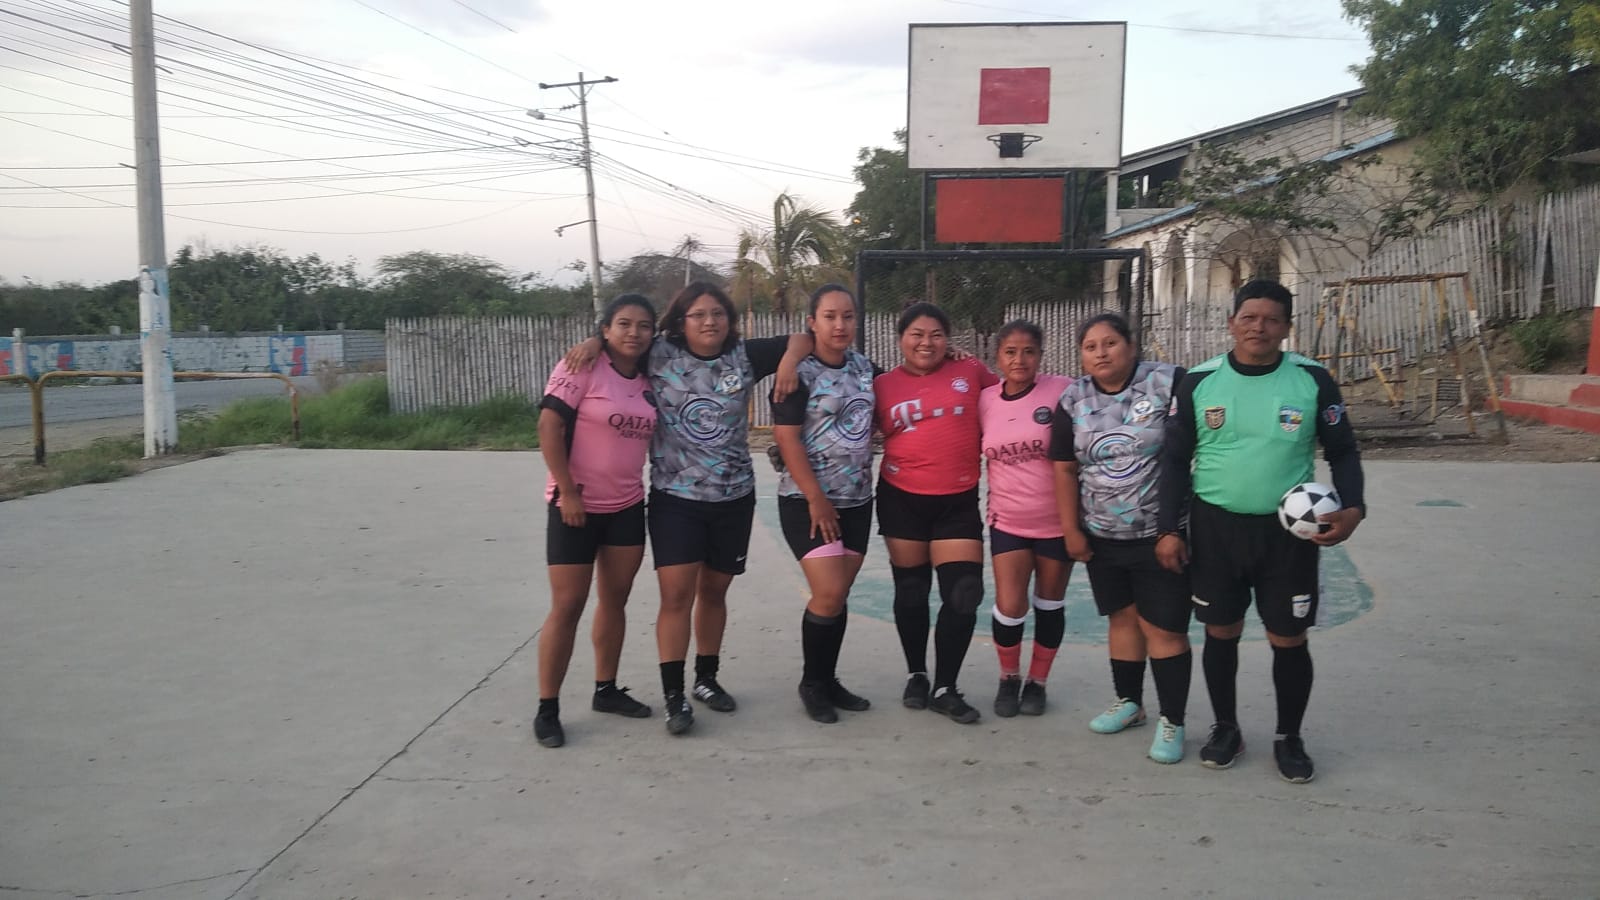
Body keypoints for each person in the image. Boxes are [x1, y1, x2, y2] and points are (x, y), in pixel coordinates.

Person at [565, 282, 808, 736]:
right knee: (676, 597)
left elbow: (801, 338)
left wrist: (789, 362)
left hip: (734, 498)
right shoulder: (659, 354)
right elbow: (622, 340)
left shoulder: (744, 356)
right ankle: (674, 695)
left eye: (718, 313)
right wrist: (595, 340)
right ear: (680, 322)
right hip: (677, 500)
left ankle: (706, 679)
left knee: (715, 593)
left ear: (729, 320)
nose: (709, 321)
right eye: (698, 314)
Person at [1157, 279, 1365, 783]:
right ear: (1232, 323)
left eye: (1272, 319)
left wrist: (1354, 508)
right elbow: (1175, 460)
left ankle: (1289, 737)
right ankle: (1226, 728)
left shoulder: (1312, 380)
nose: (1259, 327)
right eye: (1249, 318)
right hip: (1216, 529)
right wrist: (1168, 529)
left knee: (1288, 636)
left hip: (1288, 536)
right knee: (1220, 630)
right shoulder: (1199, 382)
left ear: (1287, 327)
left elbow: (1342, 450)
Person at [1051, 313, 1192, 764]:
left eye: (1110, 342)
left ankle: (1172, 720)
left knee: (1164, 629)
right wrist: (1072, 530)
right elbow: (1064, 469)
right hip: (1103, 536)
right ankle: (1130, 703)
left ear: (1131, 345)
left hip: (1159, 535)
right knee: (1122, 620)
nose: (1101, 353)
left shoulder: (1168, 382)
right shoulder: (1073, 398)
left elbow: (1188, 451)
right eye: (1090, 346)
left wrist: (1172, 529)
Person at [533, 294, 659, 748]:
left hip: (626, 506)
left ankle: (606, 690)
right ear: (605, 330)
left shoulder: (651, 376)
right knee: (568, 606)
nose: (634, 333)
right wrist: (567, 491)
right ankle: (548, 708)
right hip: (575, 506)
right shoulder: (580, 367)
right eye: (623, 324)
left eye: (644, 326)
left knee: (614, 600)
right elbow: (549, 427)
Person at [874, 301, 999, 724]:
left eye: (936, 335)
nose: (926, 343)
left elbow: (1011, 401)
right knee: (911, 591)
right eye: (917, 334)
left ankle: (946, 686)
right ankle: (917, 674)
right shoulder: (882, 384)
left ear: (949, 340)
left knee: (964, 593)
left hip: (957, 499)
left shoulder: (971, 371)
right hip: (901, 497)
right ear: (900, 339)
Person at [770, 284, 876, 724]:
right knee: (829, 592)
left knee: (837, 595)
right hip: (807, 501)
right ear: (812, 322)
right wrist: (816, 498)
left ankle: (828, 679)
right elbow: (786, 438)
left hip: (857, 499)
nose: (840, 325)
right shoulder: (798, 373)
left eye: (847, 316)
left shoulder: (865, 368)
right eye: (830, 316)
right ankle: (812, 683)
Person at [977, 320, 1074, 718]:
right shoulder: (985, 400)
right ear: (997, 357)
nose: (1020, 360)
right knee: (1010, 605)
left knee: (1049, 604)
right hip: (1008, 521)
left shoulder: (1063, 390)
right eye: (1011, 352)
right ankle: (1008, 678)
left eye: (1029, 351)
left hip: (1057, 522)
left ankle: (1037, 682)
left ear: (1041, 355)